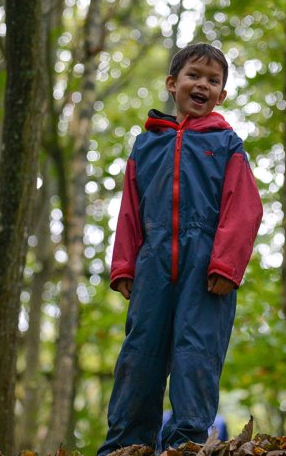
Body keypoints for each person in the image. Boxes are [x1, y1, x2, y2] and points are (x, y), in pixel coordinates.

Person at [98, 43, 263, 454]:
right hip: (153, 260)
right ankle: (127, 443)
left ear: (222, 95)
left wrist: (226, 265)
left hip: (206, 263)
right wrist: (123, 266)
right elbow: (129, 211)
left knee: (196, 353)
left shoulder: (226, 144)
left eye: (213, 80)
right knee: (140, 353)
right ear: (173, 84)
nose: (202, 84)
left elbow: (244, 208)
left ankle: (186, 444)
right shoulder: (146, 144)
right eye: (194, 75)